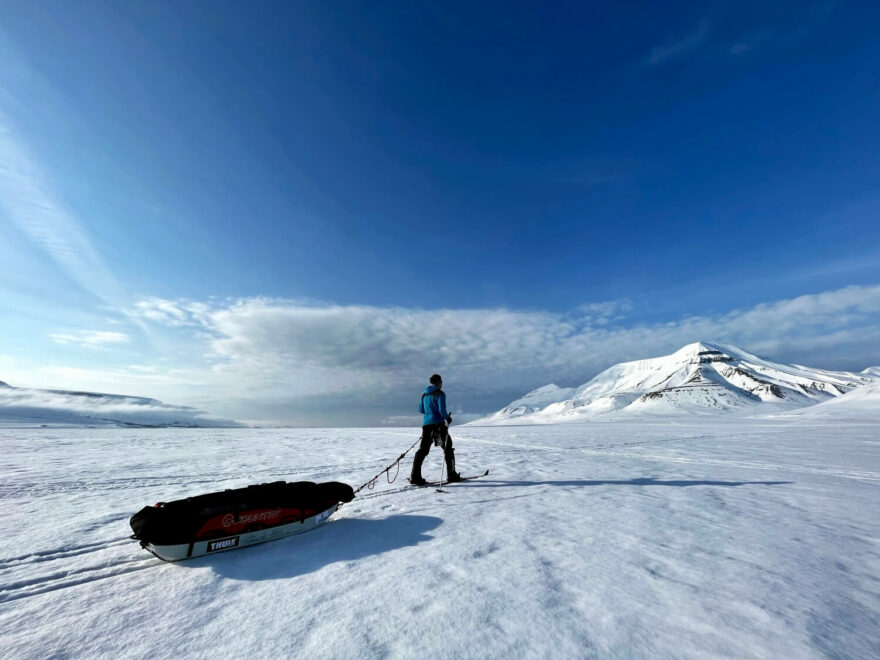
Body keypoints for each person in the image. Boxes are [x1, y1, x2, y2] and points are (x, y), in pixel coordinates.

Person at [410, 374, 462, 485]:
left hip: (426, 426)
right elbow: (442, 410)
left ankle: (415, 477)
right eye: (441, 382)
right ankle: (451, 475)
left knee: (423, 450)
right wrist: (447, 418)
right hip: (438, 425)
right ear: (439, 382)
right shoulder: (440, 393)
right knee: (447, 447)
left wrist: (430, 412)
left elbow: (421, 410)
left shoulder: (424, 394)